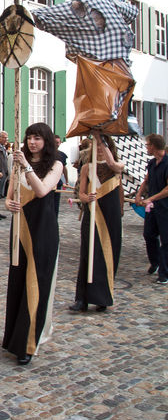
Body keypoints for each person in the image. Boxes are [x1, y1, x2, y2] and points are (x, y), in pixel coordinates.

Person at [3, 122, 63, 365]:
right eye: (29, 138)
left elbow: (42, 191)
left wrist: (26, 166)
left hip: (43, 230)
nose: (32, 142)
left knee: (36, 283)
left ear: (46, 141)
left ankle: (28, 343)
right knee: (18, 281)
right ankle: (14, 338)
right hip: (20, 228)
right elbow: (8, 197)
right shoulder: (18, 165)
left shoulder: (56, 164)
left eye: (37, 138)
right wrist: (9, 204)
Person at [70, 130, 124, 313]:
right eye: (97, 145)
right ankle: (82, 299)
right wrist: (87, 198)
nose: (99, 148)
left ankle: (103, 297)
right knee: (87, 253)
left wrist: (101, 139)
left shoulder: (117, 166)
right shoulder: (87, 168)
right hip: (92, 214)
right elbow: (81, 194)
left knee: (109, 254)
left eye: (103, 145)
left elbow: (113, 164)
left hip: (111, 216)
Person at [135, 133, 168, 286]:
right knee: (148, 234)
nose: (146, 147)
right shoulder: (152, 162)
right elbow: (146, 180)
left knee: (166, 240)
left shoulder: (167, 163)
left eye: (147, 145)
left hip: (165, 207)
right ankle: (155, 262)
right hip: (153, 207)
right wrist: (139, 194)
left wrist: (151, 198)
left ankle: (164, 273)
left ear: (153, 146)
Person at [54, 135, 69, 218]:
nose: (57, 144)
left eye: (58, 142)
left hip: (57, 182)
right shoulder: (45, 153)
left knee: (55, 206)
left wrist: (66, 180)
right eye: (55, 142)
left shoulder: (62, 155)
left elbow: (64, 168)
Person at [0, 131, 9, 200]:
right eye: (4, 138)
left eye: (7, 138)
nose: (6, 139)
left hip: (3, 171)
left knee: (0, 191)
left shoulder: (3, 147)